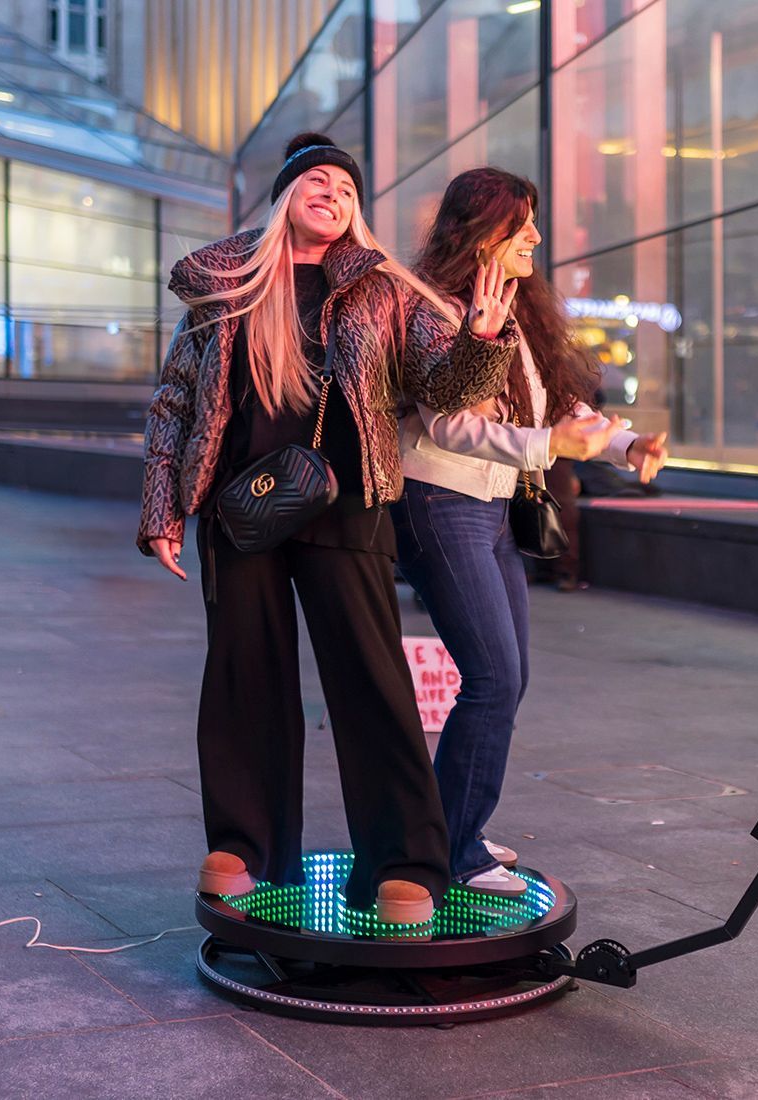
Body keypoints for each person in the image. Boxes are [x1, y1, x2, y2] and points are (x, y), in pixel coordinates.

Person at [137, 132, 516, 924]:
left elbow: (443, 387)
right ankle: (244, 849)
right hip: (239, 513)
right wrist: (163, 508)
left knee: (372, 683)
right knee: (245, 680)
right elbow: (176, 397)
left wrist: (481, 339)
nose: (333, 193)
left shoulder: (384, 289)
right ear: (284, 198)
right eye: (316, 180)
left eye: (346, 187)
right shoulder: (226, 284)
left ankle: (404, 862)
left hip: (348, 506)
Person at [393, 167, 669, 898]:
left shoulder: (521, 308)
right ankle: (451, 851)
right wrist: (549, 450)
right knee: (493, 677)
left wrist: (623, 444)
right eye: (523, 226)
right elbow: (449, 423)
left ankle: (457, 828)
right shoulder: (429, 307)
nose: (536, 238)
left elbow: (560, 405)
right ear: (480, 229)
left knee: (507, 680)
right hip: (437, 501)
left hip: (492, 507)